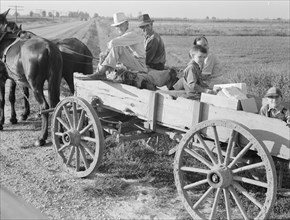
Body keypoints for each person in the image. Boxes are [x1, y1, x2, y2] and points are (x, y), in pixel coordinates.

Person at [75, 12, 147, 80]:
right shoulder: (127, 35)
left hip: (140, 65)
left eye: (121, 25)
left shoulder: (132, 34)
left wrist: (106, 53)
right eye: (117, 26)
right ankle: (101, 72)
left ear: (127, 24)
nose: (119, 28)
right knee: (113, 59)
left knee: (117, 48)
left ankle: (100, 73)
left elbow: (113, 43)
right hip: (135, 62)